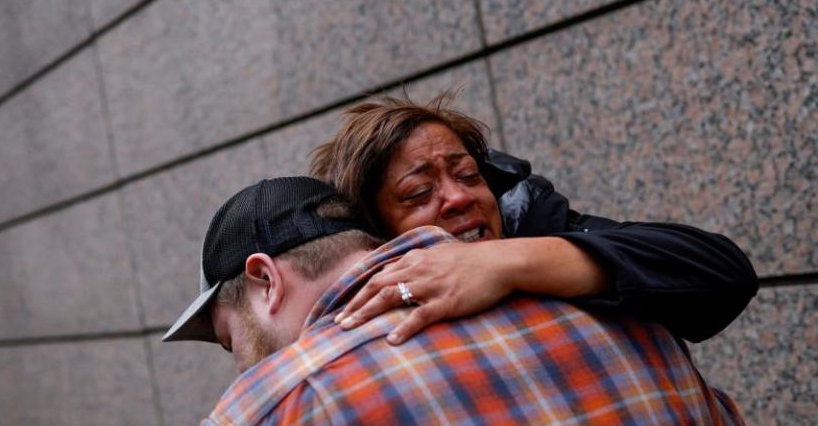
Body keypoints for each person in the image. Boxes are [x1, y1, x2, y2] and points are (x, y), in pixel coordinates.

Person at [163, 176, 751, 426]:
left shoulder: (255, 422)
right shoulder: (623, 307)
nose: (237, 362)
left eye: (226, 339)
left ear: (265, 280)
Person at [309, 93, 759, 345]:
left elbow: (723, 273)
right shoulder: (362, 330)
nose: (458, 197)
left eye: (467, 174)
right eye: (419, 193)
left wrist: (508, 262)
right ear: (374, 233)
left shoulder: (531, 218)